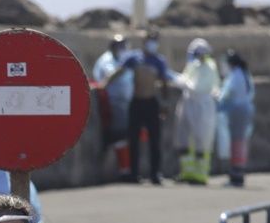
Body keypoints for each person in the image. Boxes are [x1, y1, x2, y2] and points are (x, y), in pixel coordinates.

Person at [101, 31, 171, 184]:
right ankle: (134, 173)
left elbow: (164, 82)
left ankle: (155, 174)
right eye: (149, 40)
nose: (152, 43)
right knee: (133, 139)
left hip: (151, 103)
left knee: (154, 140)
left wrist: (165, 103)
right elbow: (119, 71)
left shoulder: (159, 61)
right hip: (136, 102)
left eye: (155, 40)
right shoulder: (134, 58)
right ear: (143, 41)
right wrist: (104, 84)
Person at [173, 39, 219, 185]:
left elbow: (198, 87)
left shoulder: (209, 67)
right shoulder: (193, 65)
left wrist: (182, 82)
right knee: (185, 139)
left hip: (202, 107)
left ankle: (200, 174)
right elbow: (185, 78)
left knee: (202, 140)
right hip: (188, 104)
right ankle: (187, 172)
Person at [93, 35, 132, 179]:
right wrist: (124, 67)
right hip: (113, 104)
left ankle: (125, 169)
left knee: (123, 137)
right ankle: (124, 171)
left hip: (125, 104)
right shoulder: (107, 60)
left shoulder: (124, 60)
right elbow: (109, 76)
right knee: (118, 137)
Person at [217, 50, 255, 188]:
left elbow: (227, 93)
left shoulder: (236, 75)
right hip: (243, 111)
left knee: (236, 143)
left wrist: (219, 100)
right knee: (240, 142)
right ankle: (237, 174)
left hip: (237, 112)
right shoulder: (243, 74)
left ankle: (236, 176)